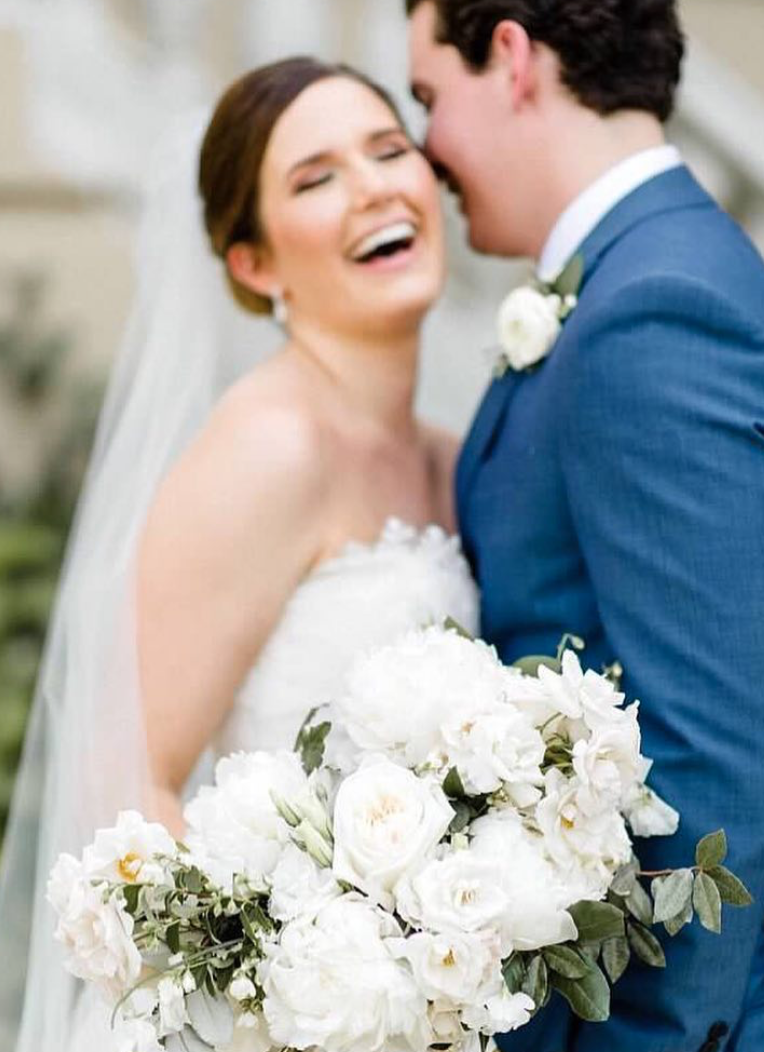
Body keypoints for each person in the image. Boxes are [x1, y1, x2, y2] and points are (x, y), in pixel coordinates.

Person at [0, 57, 477, 1052]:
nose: (375, 187)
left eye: (388, 150)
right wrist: (274, 988)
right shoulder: (268, 447)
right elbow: (126, 772)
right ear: (253, 263)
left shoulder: (448, 455)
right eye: (316, 178)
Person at [406, 1, 764, 1050]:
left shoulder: (651, 306)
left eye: (429, 96)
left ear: (510, 58)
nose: (426, 149)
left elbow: (718, 757)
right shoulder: (634, 275)